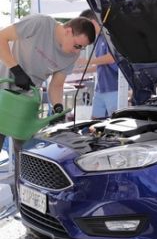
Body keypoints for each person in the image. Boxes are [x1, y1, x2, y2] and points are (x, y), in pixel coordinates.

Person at [0, 14, 95, 202]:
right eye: (77, 45)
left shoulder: (71, 56)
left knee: (26, 155)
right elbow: (1, 37)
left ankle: (25, 205)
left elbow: (56, 85)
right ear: (68, 31)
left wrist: (58, 106)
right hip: (2, 88)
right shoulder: (40, 23)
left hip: (26, 102)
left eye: (82, 48)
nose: (78, 51)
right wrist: (16, 69)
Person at [76, 9, 119, 119]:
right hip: (100, 88)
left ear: (93, 22)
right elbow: (101, 65)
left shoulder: (110, 35)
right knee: (94, 122)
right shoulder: (98, 39)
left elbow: (111, 58)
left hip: (114, 88)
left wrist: (86, 62)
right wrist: (80, 70)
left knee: (114, 123)